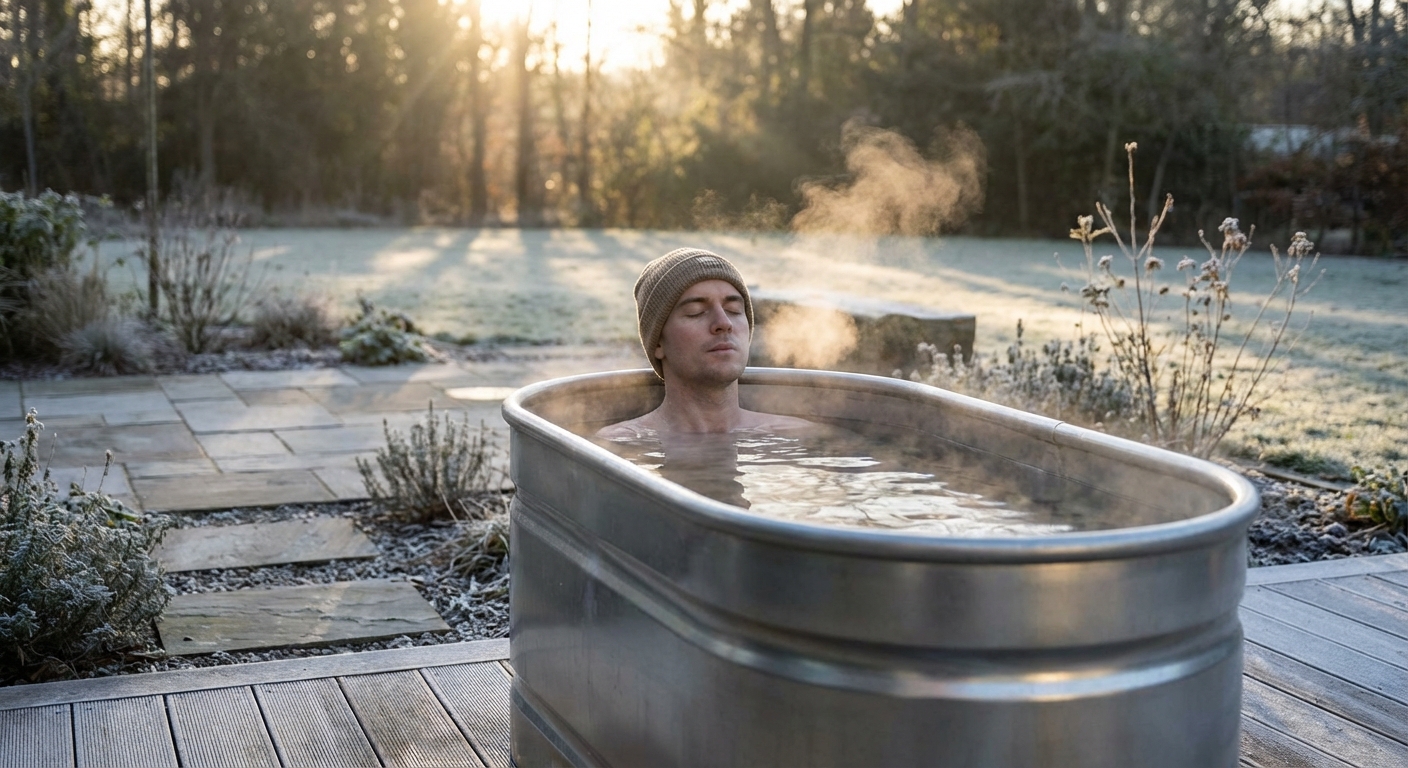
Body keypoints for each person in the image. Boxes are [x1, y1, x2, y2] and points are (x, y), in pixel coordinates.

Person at [596, 247, 812, 439]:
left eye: (734, 311)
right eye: (695, 312)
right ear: (659, 344)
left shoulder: (798, 436)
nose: (724, 323)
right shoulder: (623, 445)